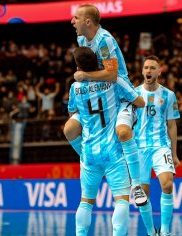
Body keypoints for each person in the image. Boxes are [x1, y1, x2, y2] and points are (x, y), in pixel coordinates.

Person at [65, 3, 148, 206]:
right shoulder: (81, 38)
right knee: (70, 129)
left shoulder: (105, 41)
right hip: (95, 92)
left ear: (87, 22)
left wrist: (84, 76)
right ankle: (92, 161)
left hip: (117, 92)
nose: (72, 21)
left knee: (122, 132)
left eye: (75, 18)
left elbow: (112, 75)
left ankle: (135, 181)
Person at [68, 47, 135, 236]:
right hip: (113, 150)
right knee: (121, 199)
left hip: (89, 150)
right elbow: (135, 100)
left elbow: (73, 113)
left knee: (86, 201)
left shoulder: (75, 87)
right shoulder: (112, 83)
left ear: (79, 66)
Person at [135, 55, 181, 236]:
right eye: (146, 67)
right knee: (142, 195)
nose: (149, 71)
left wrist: (174, 154)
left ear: (159, 71)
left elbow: (172, 125)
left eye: (152, 68)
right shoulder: (134, 94)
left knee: (167, 184)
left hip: (161, 145)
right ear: (142, 71)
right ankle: (150, 232)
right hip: (139, 149)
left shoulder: (169, 95)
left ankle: (166, 231)